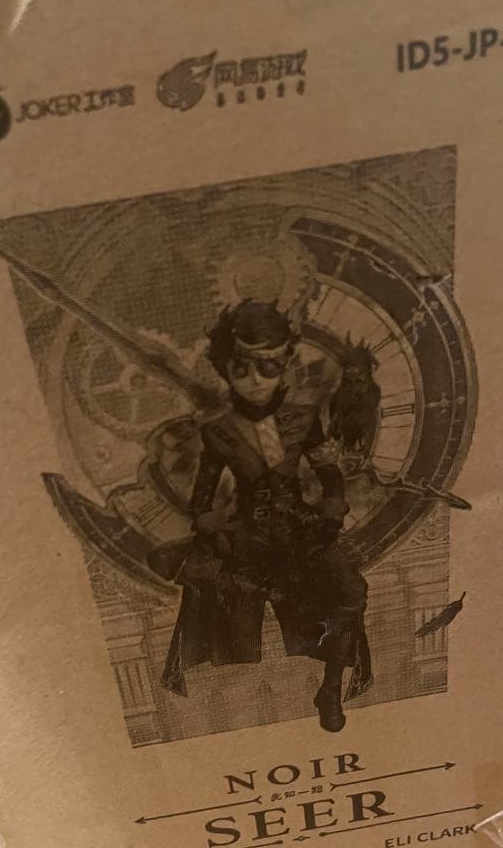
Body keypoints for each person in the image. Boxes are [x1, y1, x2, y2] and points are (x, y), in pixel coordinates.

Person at [149, 298, 371, 732]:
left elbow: (327, 472)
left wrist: (332, 503)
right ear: (225, 369)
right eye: (241, 369)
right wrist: (207, 521)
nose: (254, 381)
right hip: (246, 539)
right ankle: (222, 716)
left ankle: (329, 688)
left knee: (352, 592)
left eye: (268, 368)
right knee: (224, 615)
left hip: (302, 533)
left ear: (284, 365)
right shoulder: (218, 430)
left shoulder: (304, 418)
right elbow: (202, 495)